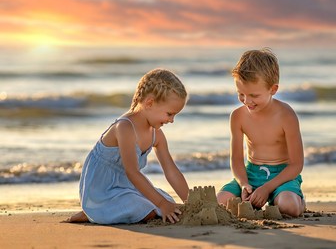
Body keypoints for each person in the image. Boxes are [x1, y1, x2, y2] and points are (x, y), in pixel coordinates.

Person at [67, 68, 189, 224]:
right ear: (149, 103)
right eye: (169, 114)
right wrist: (161, 204)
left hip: (127, 187)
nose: (172, 120)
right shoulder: (125, 127)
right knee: (150, 209)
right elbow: (132, 172)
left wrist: (190, 201)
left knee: (168, 200)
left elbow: (170, 170)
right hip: (102, 191)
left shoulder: (156, 134)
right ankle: (94, 211)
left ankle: (105, 212)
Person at [216, 48, 305, 217]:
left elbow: (296, 164)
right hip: (250, 174)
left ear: (273, 89)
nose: (247, 101)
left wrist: (267, 188)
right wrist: (244, 184)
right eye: (240, 94)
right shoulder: (237, 117)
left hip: (282, 175)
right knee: (220, 203)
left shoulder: (286, 115)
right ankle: (259, 197)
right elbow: (236, 160)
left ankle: (298, 200)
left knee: (288, 207)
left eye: (254, 95)